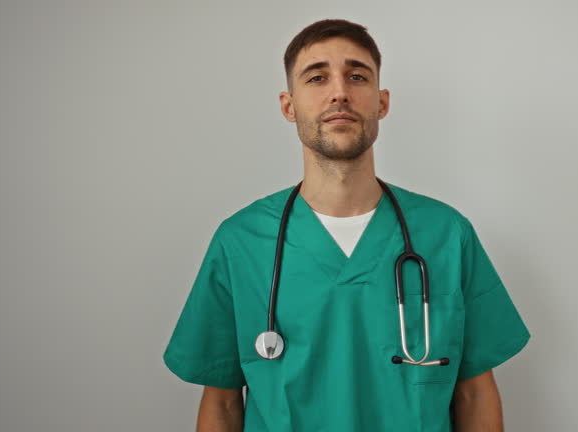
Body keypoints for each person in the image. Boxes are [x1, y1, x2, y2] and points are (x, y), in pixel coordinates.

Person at [163, 18, 531, 432]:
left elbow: (475, 393)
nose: (339, 91)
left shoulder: (446, 235)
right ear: (289, 106)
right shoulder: (240, 243)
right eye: (317, 78)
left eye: (357, 76)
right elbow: (223, 404)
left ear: (381, 102)